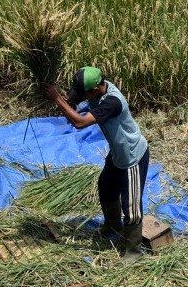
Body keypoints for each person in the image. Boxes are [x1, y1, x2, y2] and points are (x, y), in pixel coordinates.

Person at [42, 66, 150, 264]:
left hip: (132, 156)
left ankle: (134, 252)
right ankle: (113, 227)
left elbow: (81, 123)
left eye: (84, 94)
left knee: (131, 206)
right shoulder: (97, 89)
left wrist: (57, 98)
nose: (82, 96)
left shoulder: (112, 102)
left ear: (95, 90)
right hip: (118, 153)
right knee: (106, 187)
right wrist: (68, 102)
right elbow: (75, 104)